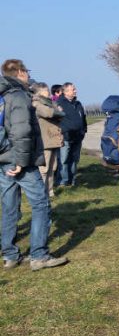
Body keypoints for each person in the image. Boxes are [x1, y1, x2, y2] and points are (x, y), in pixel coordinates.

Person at [0, 59, 67, 271]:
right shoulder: (18, 96)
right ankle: (39, 255)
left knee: (9, 207)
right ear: (19, 72)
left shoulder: (1, 96)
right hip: (20, 161)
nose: (28, 75)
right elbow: (21, 131)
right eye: (26, 71)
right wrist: (20, 161)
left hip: (2, 159)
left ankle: (10, 255)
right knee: (40, 204)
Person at [32, 82, 65, 198]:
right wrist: (58, 111)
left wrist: (58, 112)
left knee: (53, 168)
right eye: (46, 90)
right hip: (45, 140)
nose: (49, 92)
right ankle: (41, 192)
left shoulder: (50, 103)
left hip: (54, 139)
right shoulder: (36, 103)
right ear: (40, 92)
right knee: (44, 169)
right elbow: (49, 113)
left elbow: (60, 115)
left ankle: (50, 191)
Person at [56, 82, 87, 187]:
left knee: (74, 159)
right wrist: (63, 130)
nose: (75, 91)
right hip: (65, 136)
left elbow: (83, 118)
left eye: (74, 89)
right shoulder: (60, 103)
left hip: (77, 136)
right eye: (73, 89)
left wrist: (84, 130)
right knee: (63, 159)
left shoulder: (78, 104)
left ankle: (72, 180)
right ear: (66, 91)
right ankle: (62, 181)